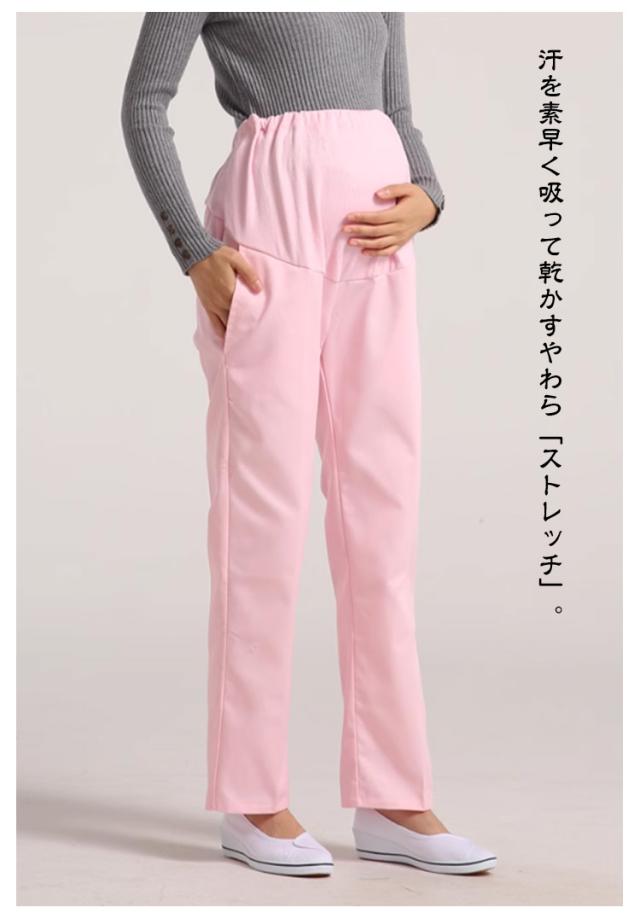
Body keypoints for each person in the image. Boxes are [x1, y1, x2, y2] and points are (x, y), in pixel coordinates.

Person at [121, 12, 496, 879]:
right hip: (267, 237)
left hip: (376, 245)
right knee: (262, 522)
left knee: (383, 518)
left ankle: (393, 795)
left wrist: (430, 194)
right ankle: (252, 796)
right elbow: (144, 102)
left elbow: (397, 111)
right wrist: (195, 251)